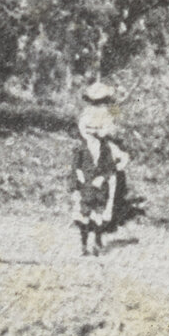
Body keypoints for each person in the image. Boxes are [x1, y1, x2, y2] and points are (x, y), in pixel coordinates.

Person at [70, 109, 124, 257]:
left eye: (94, 128)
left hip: (100, 188)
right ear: (83, 130)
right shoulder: (79, 149)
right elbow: (75, 168)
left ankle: (97, 242)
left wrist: (102, 178)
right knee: (84, 216)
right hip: (86, 188)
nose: (91, 132)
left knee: (98, 216)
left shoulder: (105, 148)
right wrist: (75, 187)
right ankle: (84, 245)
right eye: (87, 128)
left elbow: (110, 167)